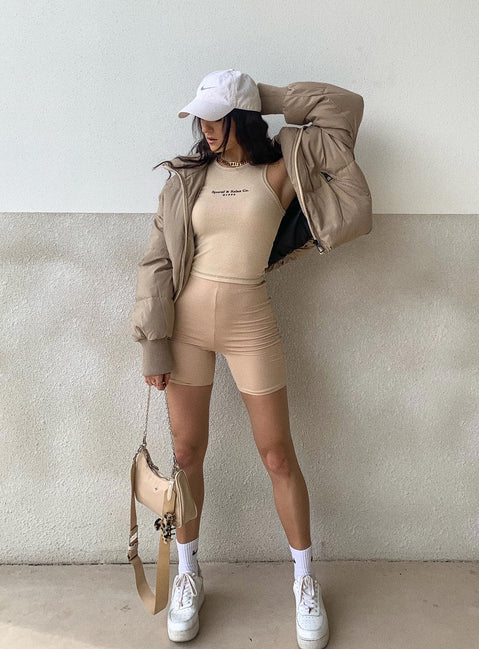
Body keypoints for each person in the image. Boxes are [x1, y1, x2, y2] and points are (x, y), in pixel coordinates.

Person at [131, 68, 369, 648]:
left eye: (216, 115)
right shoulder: (187, 177)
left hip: (251, 326)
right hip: (185, 330)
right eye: (201, 117)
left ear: (241, 115)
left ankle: (304, 579)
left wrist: (262, 96)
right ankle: (188, 572)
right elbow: (157, 261)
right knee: (186, 454)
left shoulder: (282, 168)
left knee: (277, 454)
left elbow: (345, 110)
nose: (206, 127)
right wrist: (154, 343)